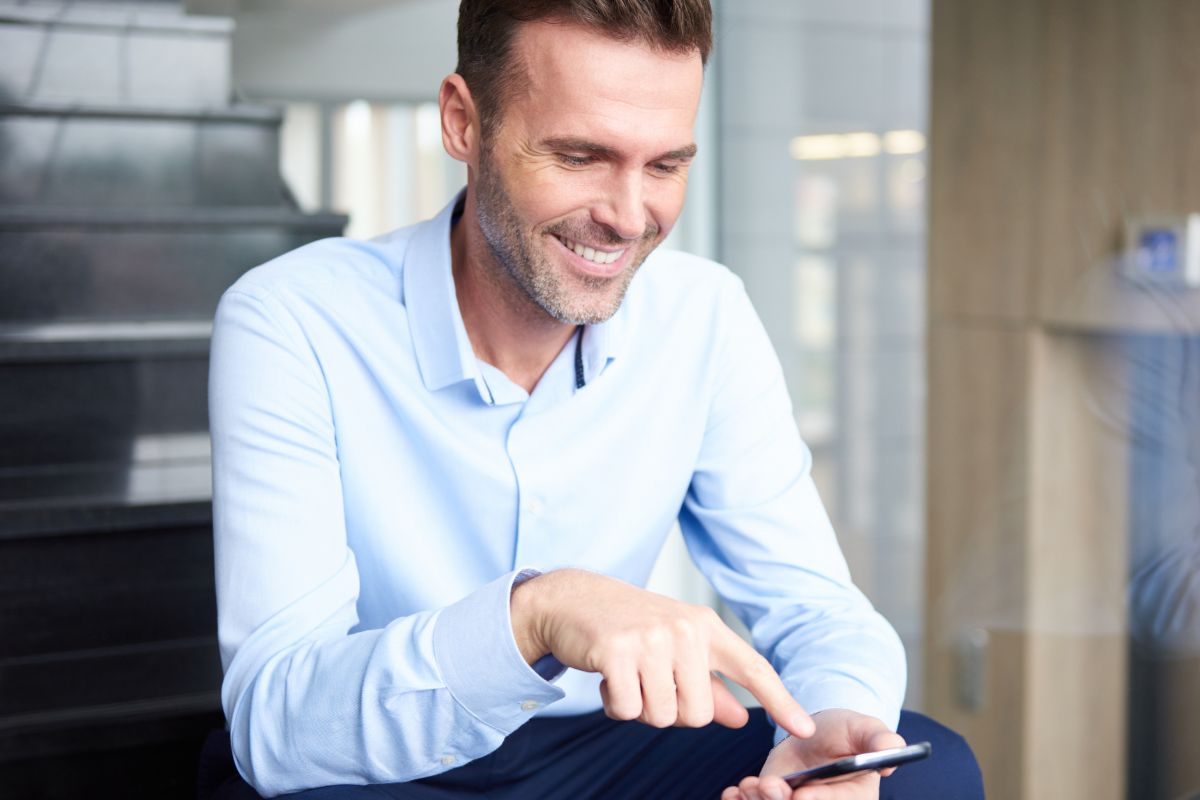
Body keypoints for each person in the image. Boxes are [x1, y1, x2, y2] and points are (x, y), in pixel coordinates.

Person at [200, 2, 983, 798]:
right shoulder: (293, 318)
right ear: (463, 122)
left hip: (605, 753)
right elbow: (278, 722)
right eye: (580, 155)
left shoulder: (702, 314)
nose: (627, 215)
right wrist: (534, 616)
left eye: (667, 166)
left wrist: (826, 736)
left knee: (927, 771)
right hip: (380, 755)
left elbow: (818, 610)